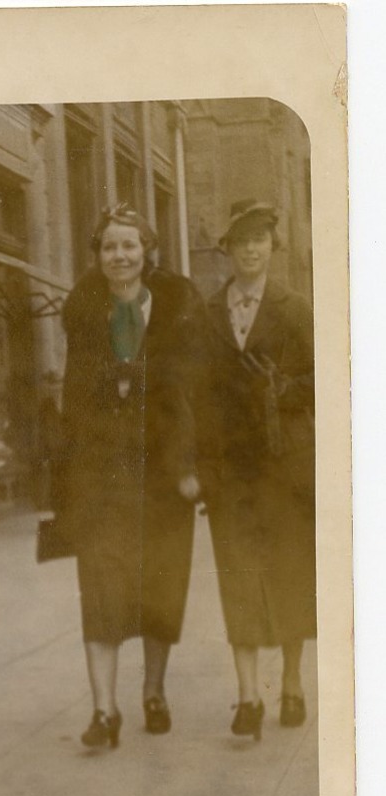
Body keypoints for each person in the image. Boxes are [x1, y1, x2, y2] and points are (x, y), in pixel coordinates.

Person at [56, 203, 203, 749]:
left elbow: (191, 397)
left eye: (129, 245)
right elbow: (71, 401)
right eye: (110, 246)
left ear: (146, 252)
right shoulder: (84, 315)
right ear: (97, 255)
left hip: (162, 478)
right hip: (101, 479)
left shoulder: (172, 312)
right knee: (100, 591)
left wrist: (190, 466)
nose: (119, 255)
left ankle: (154, 693)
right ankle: (105, 712)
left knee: (159, 587)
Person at [197, 199, 316, 741]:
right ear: (226, 248)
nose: (250, 248)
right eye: (240, 239)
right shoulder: (207, 314)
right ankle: (248, 697)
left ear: (273, 244)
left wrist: (283, 390)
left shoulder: (295, 309)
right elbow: (195, 397)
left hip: (285, 468)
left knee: (289, 576)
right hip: (231, 474)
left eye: (260, 238)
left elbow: (328, 380)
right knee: (238, 577)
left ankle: (291, 683)